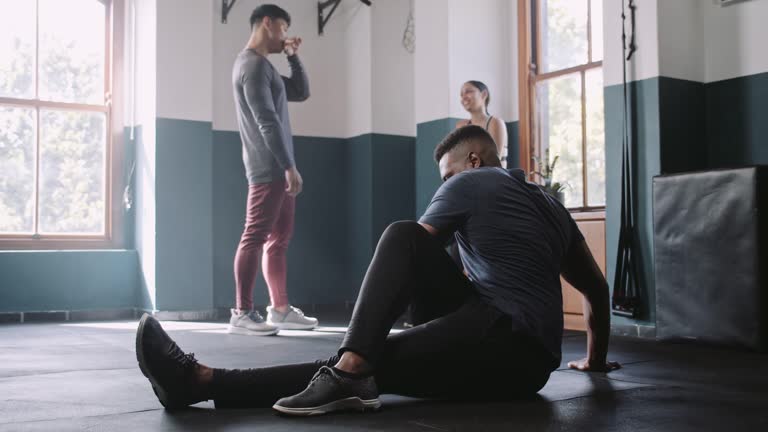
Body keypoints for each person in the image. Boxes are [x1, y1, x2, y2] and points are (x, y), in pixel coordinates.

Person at [135, 125, 620, 416]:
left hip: (500, 341)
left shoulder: (471, 183)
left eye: (448, 174)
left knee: (401, 237)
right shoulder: (550, 203)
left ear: (473, 160)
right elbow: (597, 291)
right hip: (534, 368)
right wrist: (594, 362)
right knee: (379, 357)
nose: (446, 184)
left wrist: (363, 345)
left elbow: (409, 254)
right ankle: (352, 367)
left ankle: (205, 382)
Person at [229, 4, 318, 335]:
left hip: (278, 168)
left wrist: (293, 56)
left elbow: (300, 91)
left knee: (278, 240)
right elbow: (266, 120)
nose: (284, 35)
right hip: (268, 167)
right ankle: (241, 312)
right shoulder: (251, 66)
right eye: (282, 28)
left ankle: (279, 309)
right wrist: (288, 166)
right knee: (254, 235)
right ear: (267, 23)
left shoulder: (264, 68)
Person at [456, 80, 508, 167]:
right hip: (472, 177)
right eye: (461, 95)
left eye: (468, 92)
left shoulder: (495, 122)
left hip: (494, 177)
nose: (463, 97)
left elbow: (493, 160)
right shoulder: (461, 126)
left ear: (484, 94)